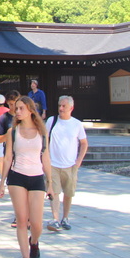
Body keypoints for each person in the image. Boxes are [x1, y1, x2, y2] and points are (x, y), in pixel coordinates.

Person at [0, 96, 53, 258]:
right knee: (22, 220)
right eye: (17, 108)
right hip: (17, 177)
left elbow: (45, 157)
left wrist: (50, 183)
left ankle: (34, 242)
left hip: (36, 177)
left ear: (30, 109)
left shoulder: (42, 132)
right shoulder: (13, 131)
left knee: (36, 224)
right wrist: (2, 183)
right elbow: (8, 158)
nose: (17, 111)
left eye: (21, 108)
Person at [45, 95, 88, 232]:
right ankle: (55, 218)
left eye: (64, 106)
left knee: (69, 193)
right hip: (53, 163)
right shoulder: (52, 121)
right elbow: (45, 139)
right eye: (59, 106)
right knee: (54, 192)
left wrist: (79, 160)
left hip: (70, 165)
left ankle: (65, 217)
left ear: (71, 108)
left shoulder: (77, 124)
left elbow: (84, 143)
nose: (61, 108)